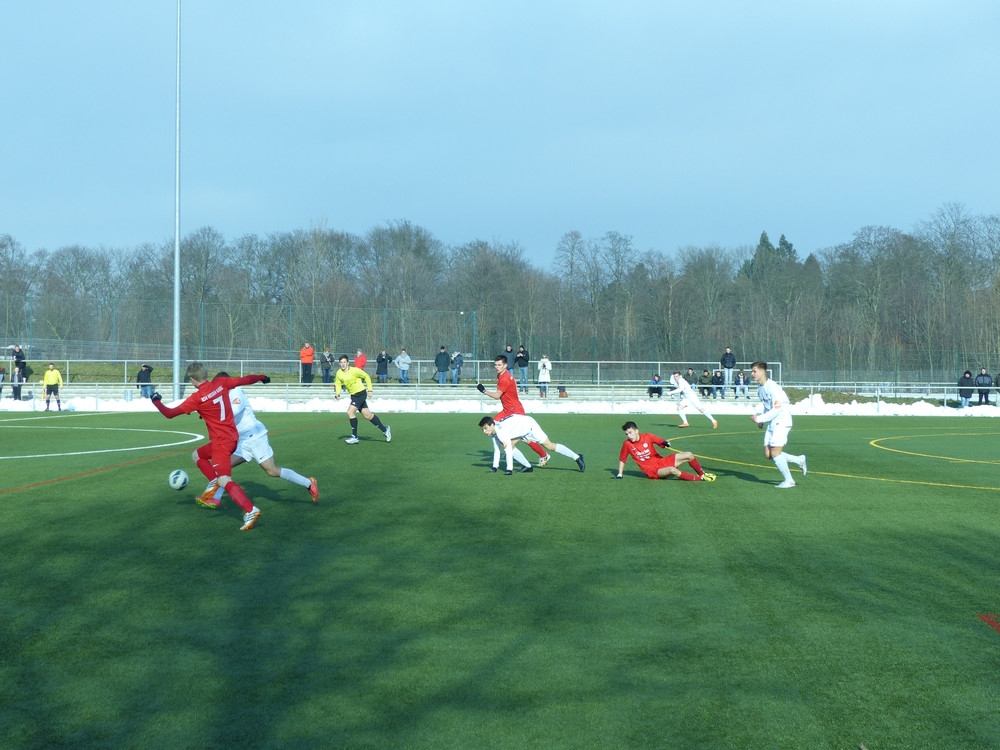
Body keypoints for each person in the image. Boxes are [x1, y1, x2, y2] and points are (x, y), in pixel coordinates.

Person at [151, 363, 269, 531]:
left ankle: (250, 510)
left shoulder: (197, 398)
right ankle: (213, 481)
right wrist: (262, 377)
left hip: (221, 444)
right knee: (197, 455)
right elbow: (245, 380)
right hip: (232, 438)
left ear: (193, 379)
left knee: (224, 480)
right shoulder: (221, 383)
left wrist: (156, 401)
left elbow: (169, 414)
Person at [195, 372, 319, 508]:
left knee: (272, 471)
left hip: (255, 437)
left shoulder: (236, 392)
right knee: (223, 467)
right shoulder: (222, 396)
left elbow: (234, 411)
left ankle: (309, 483)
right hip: (242, 441)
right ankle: (214, 498)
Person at [476, 355, 550, 467]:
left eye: (499, 365)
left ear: (505, 365)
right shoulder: (501, 375)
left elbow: (497, 396)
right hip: (507, 410)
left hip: (515, 411)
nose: (496, 367)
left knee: (525, 438)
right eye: (495, 364)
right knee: (495, 426)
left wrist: (484, 391)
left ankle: (543, 455)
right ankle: (508, 449)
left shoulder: (505, 378)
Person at [750, 361, 807, 489]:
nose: (752, 374)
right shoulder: (760, 388)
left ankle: (789, 481)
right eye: (752, 371)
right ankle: (799, 460)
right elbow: (767, 406)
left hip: (782, 421)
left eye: (754, 371)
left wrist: (759, 418)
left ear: (763, 372)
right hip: (772, 421)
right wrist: (762, 420)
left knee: (775, 453)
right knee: (768, 454)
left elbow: (777, 409)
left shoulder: (773, 388)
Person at [478, 415, 585, 475]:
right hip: (521, 429)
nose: (484, 431)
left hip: (529, 426)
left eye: (485, 428)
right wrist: (495, 467)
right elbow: (496, 449)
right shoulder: (494, 431)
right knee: (511, 445)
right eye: (482, 429)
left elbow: (507, 451)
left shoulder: (500, 432)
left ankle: (577, 457)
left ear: (492, 425)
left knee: (549, 446)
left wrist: (509, 470)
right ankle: (528, 466)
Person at [614, 421, 715, 481]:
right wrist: (620, 474)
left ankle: (702, 474)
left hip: (661, 461)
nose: (629, 436)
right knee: (672, 470)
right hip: (652, 471)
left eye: (630, 432)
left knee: (689, 454)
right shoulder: (627, 444)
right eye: (627, 434)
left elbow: (660, 441)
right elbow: (623, 459)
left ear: (636, 431)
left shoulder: (647, 436)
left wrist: (665, 443)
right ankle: (700, 479)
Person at [335, 354, 391, 444]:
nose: (343, 364)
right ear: (339, 363)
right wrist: (338, 393)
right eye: (341, 362)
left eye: (345, 362)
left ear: (348, 363)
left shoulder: (355, 370)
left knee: (350, 412)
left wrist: (370, 390)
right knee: (368, 415)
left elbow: (366, 376)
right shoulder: (339, 373)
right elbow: (338, 383)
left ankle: (354, 436)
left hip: (361, 393)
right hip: (354, 395)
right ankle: (385, 429)